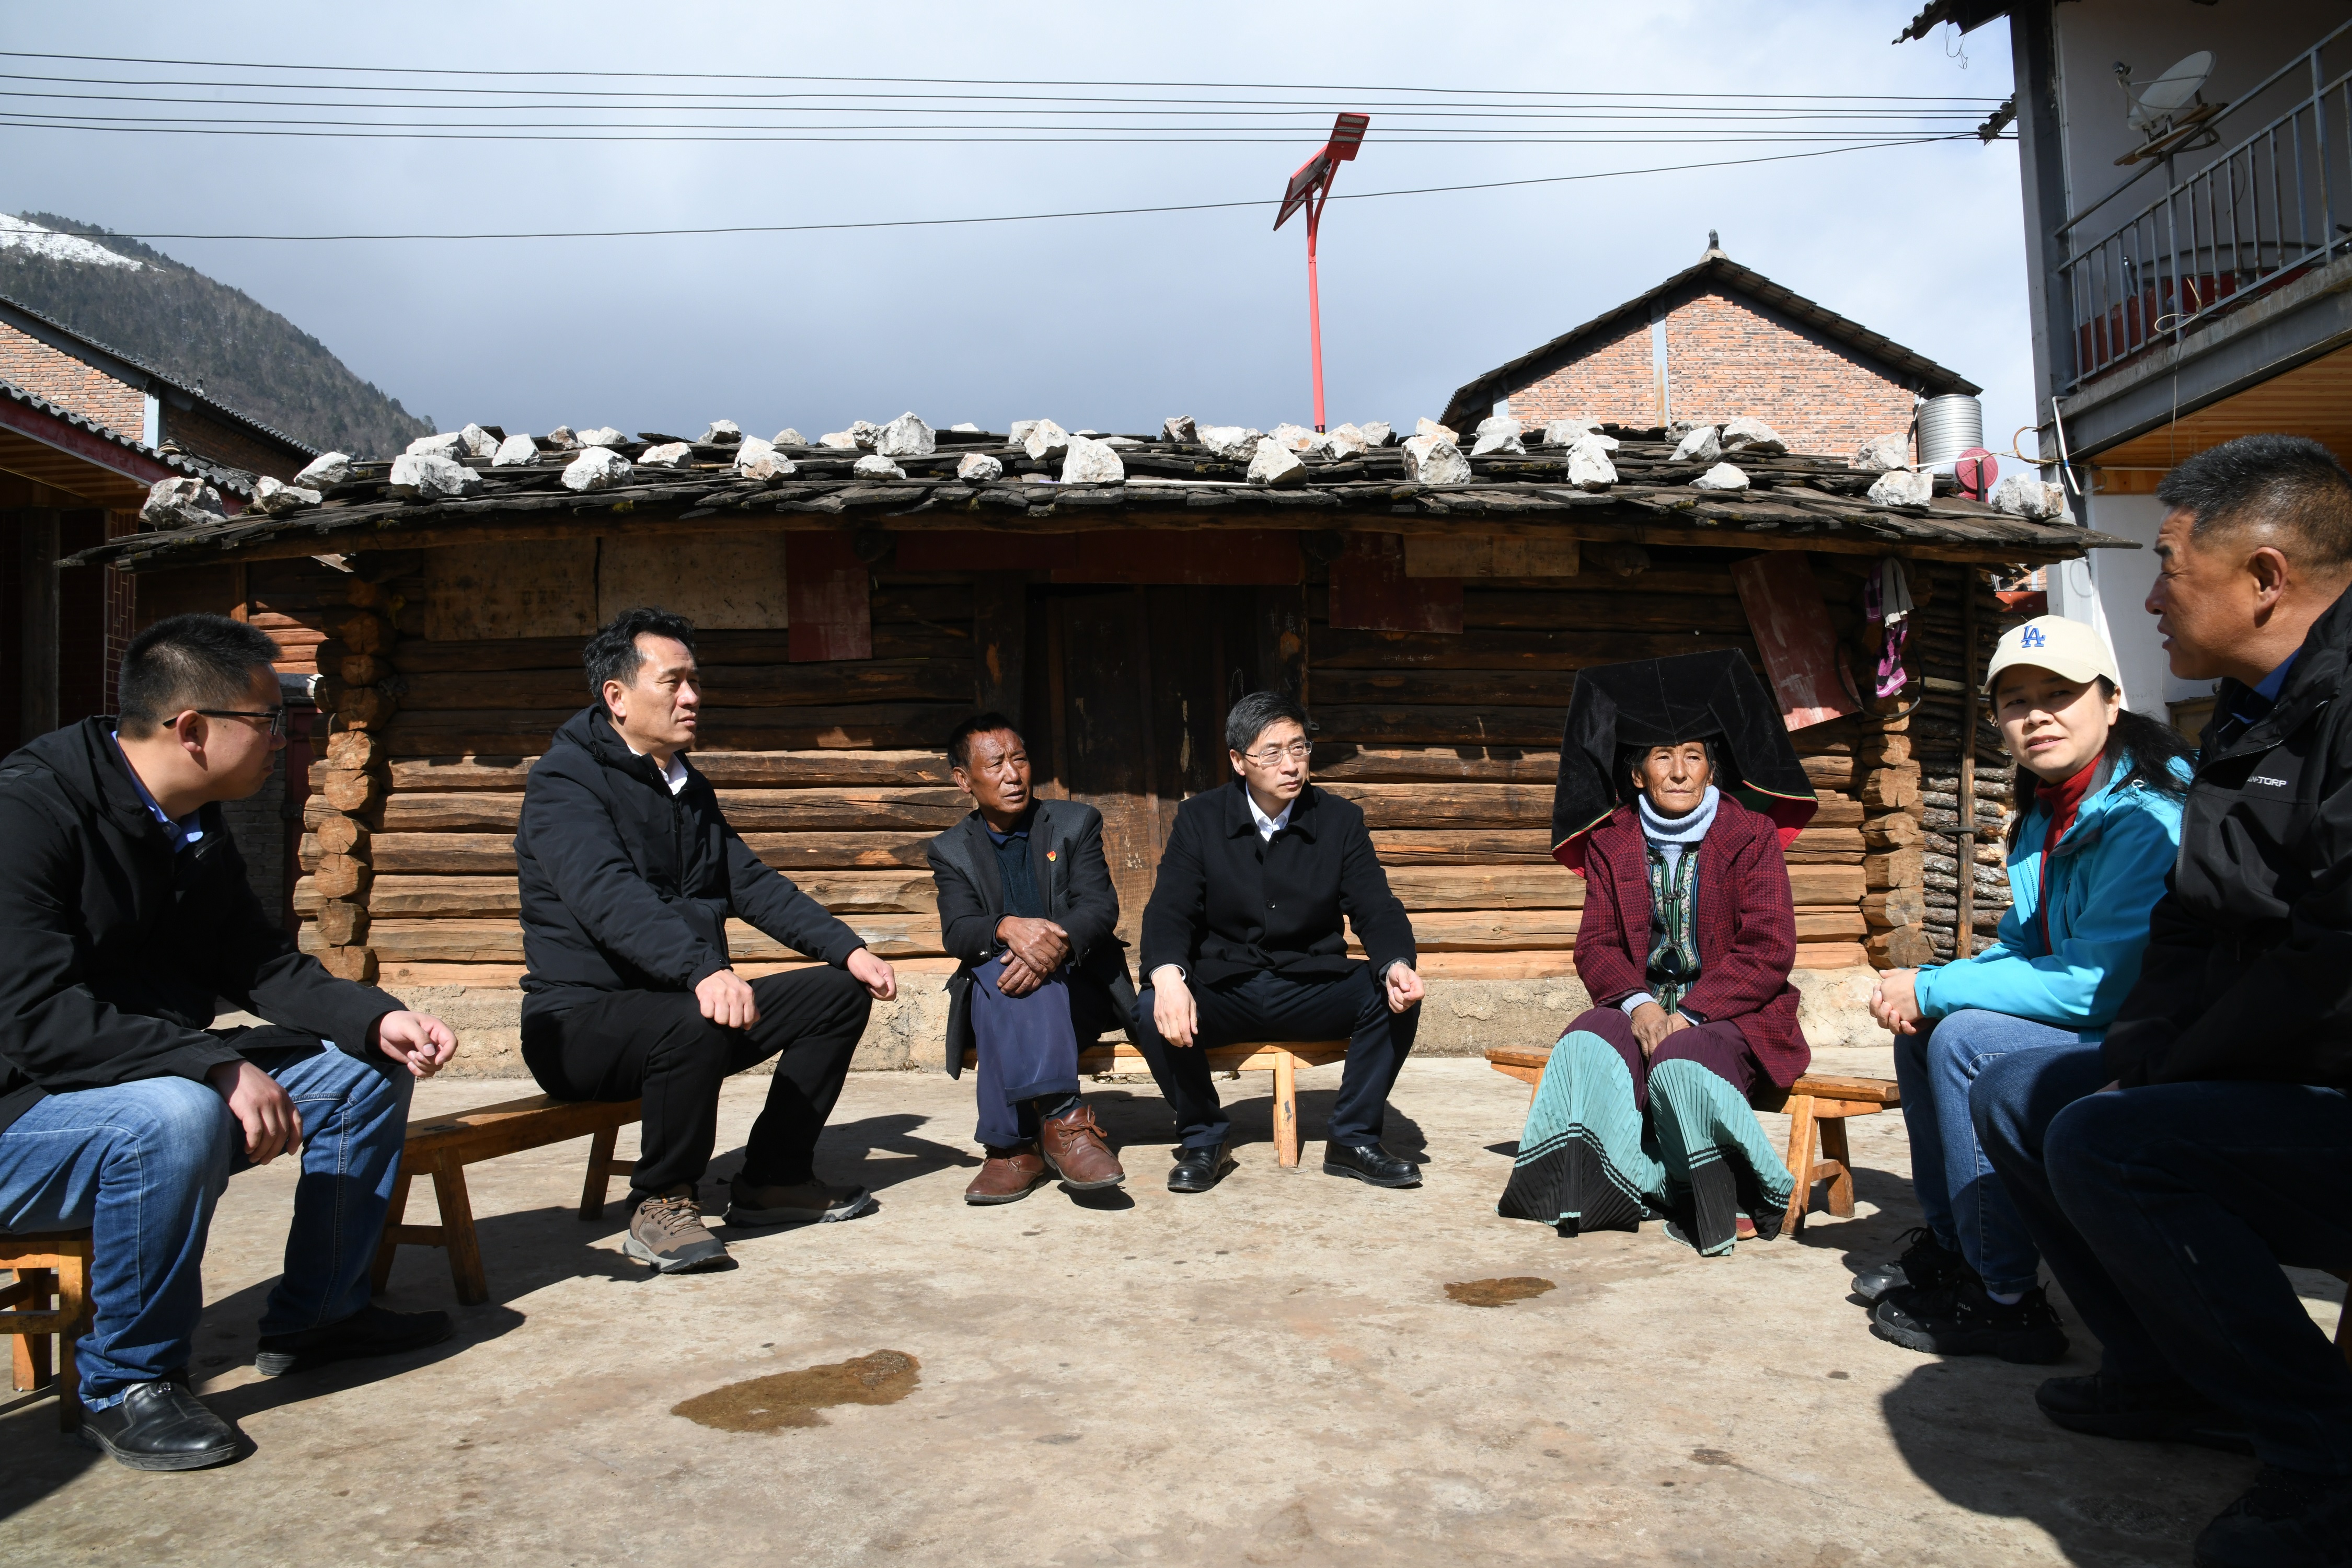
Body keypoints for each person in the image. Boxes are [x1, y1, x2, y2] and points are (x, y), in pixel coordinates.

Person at [1971, 435, 2352, 1567]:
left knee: (2113, 1143)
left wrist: (2169, 1074)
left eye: (2169, 567)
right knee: (2021, 1093)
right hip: (2274, 1059)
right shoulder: (2247, 710)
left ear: (2266, 577)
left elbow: (2331, 957)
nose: (2150, 599)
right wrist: (2143, 1052)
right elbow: (2193, 916)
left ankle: (2324, 1460)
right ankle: (2165, 1370)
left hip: (2327, 1071)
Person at [0, 613, 458, 1471]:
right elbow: (34, 1019)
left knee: (362, 1071)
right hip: (22, 1115)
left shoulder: (191, 822)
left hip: (128, 1080)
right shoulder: (28, 812)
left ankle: (321, 1316)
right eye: (270, 720)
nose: (286, 738)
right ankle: (126, 1381)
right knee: (173, 1114)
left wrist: (374, 1018)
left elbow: (258, 963)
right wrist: (210, 1065)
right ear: (192, 730)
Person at [516, 607, 898, 1276]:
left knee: (838, 994)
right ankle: (661, 1201)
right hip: (580, 1024)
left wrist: (846, 948)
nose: (692, 697)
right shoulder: (564, 783)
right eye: (674, 682)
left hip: (681, 1011)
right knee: (690, 1020)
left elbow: (748, 881)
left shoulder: (684, 786)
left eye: (695, 681)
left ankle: (774, 1179)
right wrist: (701, 969)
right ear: (617, 696)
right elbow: (608, 895)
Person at [1858, 617, 2193, 1363]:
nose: (2037, 715)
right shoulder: (2053, 806)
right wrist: (1926, 988)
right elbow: (2024, 942)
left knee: (1965, 1039)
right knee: (1926, 1031)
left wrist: (1934, 991)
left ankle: (2002, 1296)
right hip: (2107, 1017)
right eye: (2016, 701)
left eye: (2059, 693)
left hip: (2154, 1033)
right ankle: (1957, 1247)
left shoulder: (2144, 816)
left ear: (2111, 700)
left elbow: (2096, 985)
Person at [1499, 650, 1818, 1255]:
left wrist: (1691, 1014)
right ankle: (1605, 1187)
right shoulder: (1612, 841)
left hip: (1735, 1016)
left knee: (1682, 1057)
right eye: (1662, 758)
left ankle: (1727, 1193)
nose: (1678, 772)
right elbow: (1596, 945)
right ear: (1638, 774)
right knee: (1586, 1039)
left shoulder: (1750, 834)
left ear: (1712, 771)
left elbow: (1769, 947)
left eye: (1693, 757)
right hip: (1641, 1005)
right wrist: (1640, 1006)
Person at [1133, 690, 1425, 1193]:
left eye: (1299, 748)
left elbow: (1376, 906)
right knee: (1149, 1008)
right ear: (1238, 761)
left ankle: (1353, 1139)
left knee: (1393, 996)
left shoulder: (1339, 820)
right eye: (1272, 753)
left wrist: (1396, 963)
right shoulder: (1200, 819)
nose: (1291, 765)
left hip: (1310, 984)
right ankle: (1204, 1138)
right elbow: (1170, 909)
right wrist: (1168, 977)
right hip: (1225, 986)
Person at [927, 712, 1136, 1203]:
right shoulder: (951, 850)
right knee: (997, 971)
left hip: (1080, 993)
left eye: (1019, 759)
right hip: (1003, 993)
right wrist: (1006, 927)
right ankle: (1067, 1126)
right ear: (964, 780)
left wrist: (1051, 948)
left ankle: (1011, 1149)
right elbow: (958, 931)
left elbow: (1099, 907)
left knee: (1018, 980)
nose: (1013, 775)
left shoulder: (1074, 823)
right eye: (995, 764)